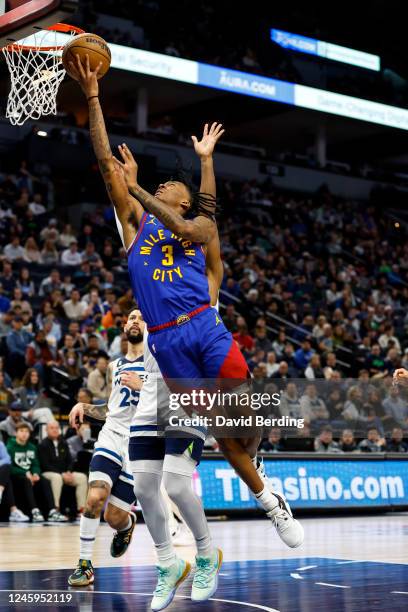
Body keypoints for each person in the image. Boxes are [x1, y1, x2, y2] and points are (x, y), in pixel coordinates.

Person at [71, 57, 303, 609]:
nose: (164, 182)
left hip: (205, 336)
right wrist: (96, 96)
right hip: (165, 354)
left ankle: (261, 493)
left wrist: (200, 168)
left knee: (235, 433)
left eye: (173, 184)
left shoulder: (199, 236)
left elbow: (196, 214)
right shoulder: (138, 228)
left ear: (184, 199)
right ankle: (175, 559)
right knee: (154, 483)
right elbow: (106, 163)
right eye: (163, 182)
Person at [67, 309, 144, 586]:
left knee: (114, 517)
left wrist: (144, 386)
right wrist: (84, 407)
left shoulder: (159, 363)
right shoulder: (115, 366)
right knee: (94, 499)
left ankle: (126, 526)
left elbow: (170, 403)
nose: (134, 321)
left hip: (140, 443)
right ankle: (85, 564)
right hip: (112, 436)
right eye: (130, 318)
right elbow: (111, 409)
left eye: (140, 318)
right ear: (124, 327)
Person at [6, 422, 66, 522]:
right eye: (21, 431)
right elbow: (9, 467)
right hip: (16, 476)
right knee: (26, 480)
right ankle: (34, 511)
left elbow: (36, 464)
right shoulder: (10, 447)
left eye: (26, 431)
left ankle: (52, 511)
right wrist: (24, 472)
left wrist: (35, 473)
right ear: (16, 433)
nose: (24, 434)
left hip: (30, 475)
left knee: (45, 481)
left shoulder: (32, 447)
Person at [39, 421, 88, 514]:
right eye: (52, 428)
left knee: (82, 477)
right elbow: (45, 465)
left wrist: (69, 471)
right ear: (46, 430)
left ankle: (81, 510)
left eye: (56, 428)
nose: (55, 430)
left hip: (64, 473)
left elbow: (70, 460)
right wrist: (62, 473)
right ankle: (55, 510)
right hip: (48, 473)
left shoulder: (63, 443)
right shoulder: (43, 445)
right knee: (57, 478)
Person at [0, 439, 29, 522]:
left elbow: (7, 459)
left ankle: (0, 490)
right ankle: (13, 510)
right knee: (6, 479)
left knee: (6, 468)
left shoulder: (0, 444)